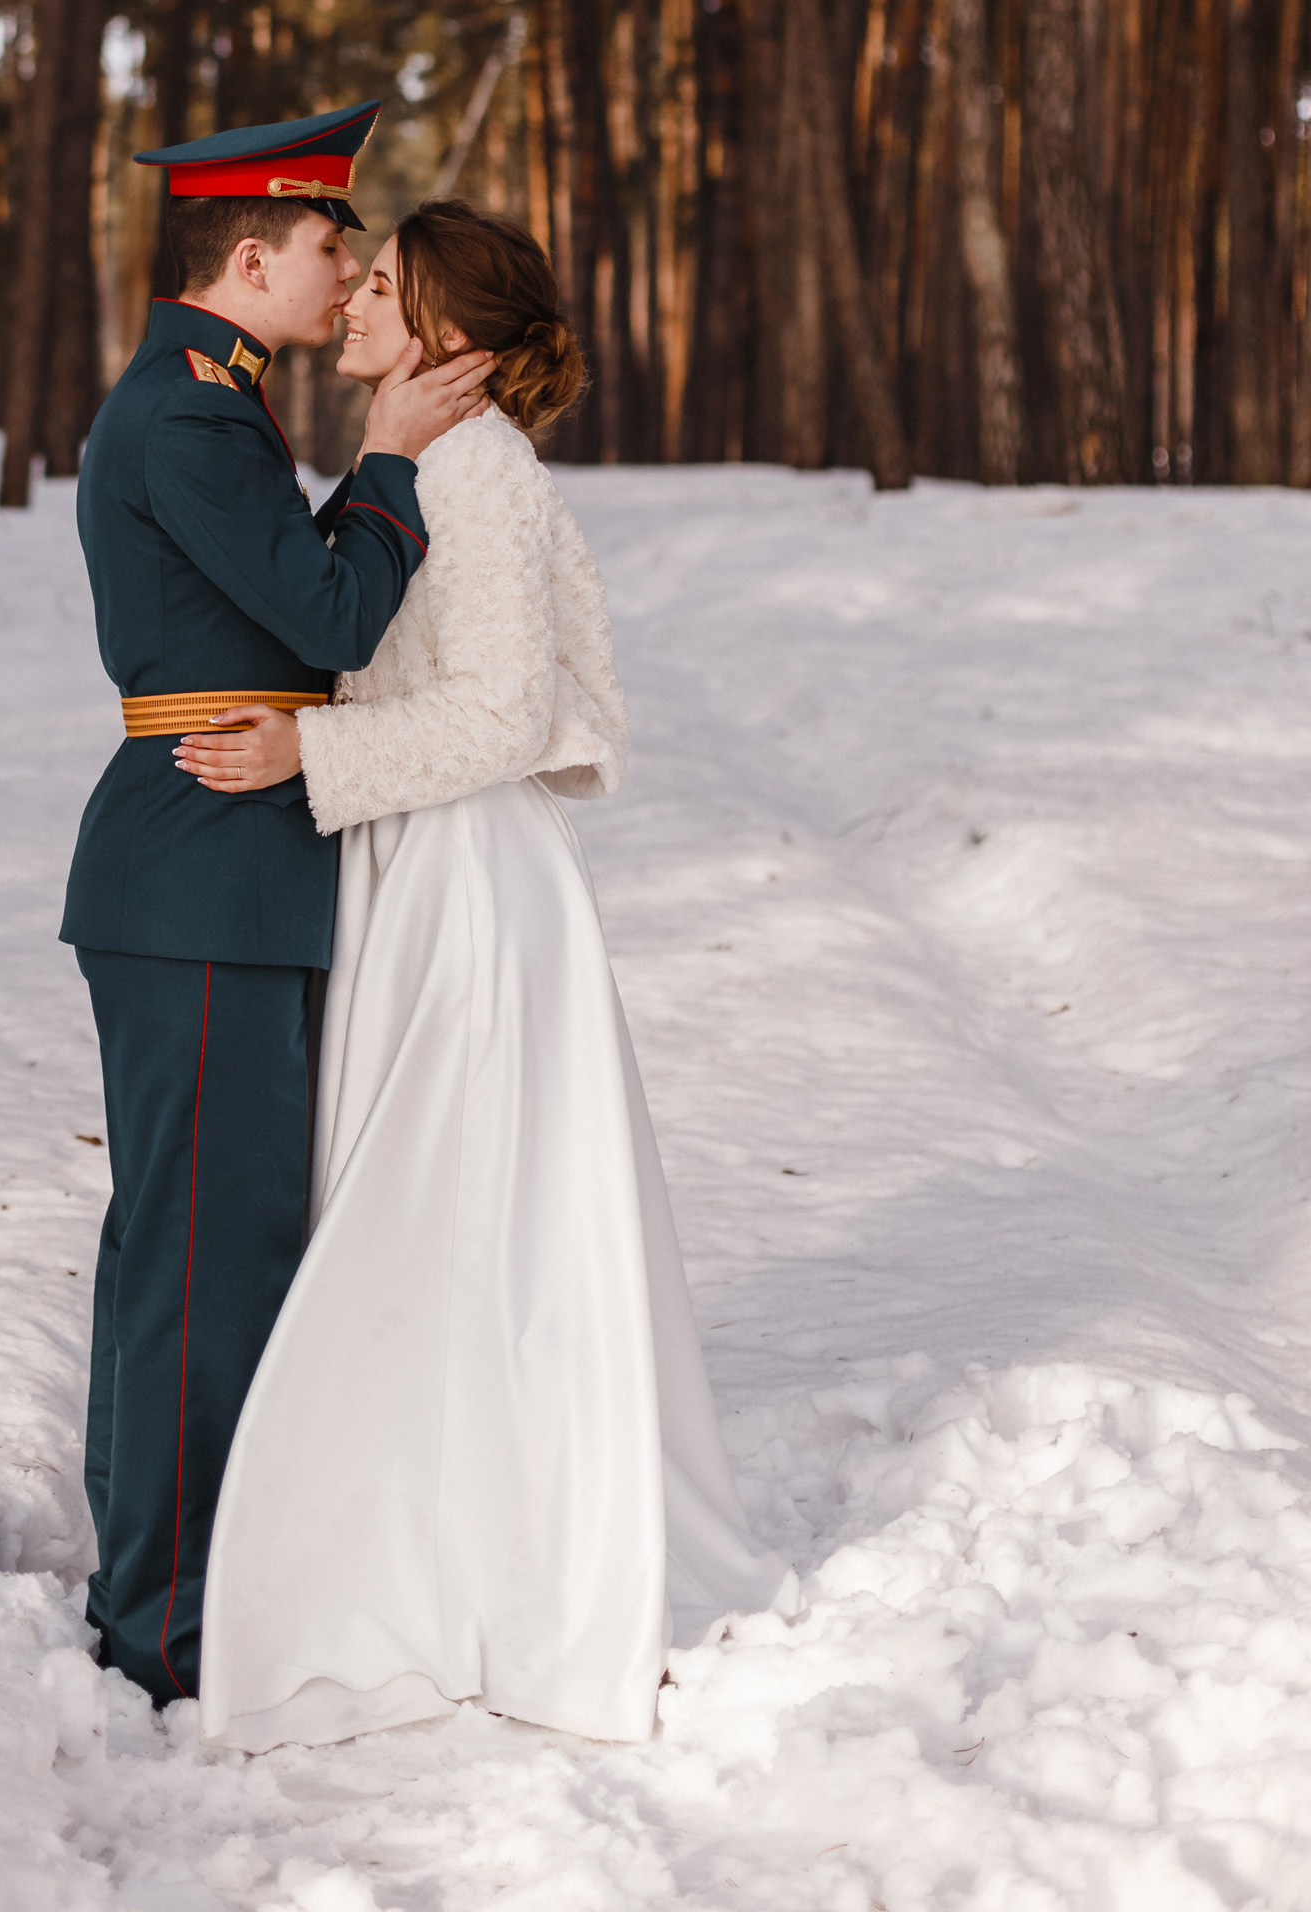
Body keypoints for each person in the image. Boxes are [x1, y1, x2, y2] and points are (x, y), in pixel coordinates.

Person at [177, 198, 787, 1751]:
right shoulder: (417, 459)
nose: (356, 300)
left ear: (451, 333)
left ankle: (478, 1563)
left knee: (450, 1215)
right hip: (400, 866)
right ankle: (408, 1534)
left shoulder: (484, 475)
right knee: (412, 1210)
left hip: (466, 886)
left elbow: (505, 715)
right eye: (356, 275)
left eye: (385, 286)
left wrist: (305, 752)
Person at [64, 102, 495, 1709]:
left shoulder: (212, 404)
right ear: (251, 257)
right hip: (202, 862)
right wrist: (390, 460)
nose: (347, 270)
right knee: (204, 1253)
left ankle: (150, 1593)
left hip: (221, 851)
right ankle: (167, 1631)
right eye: (329, 246)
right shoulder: (186, 416)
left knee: (181, 1245)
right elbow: (326, 605)